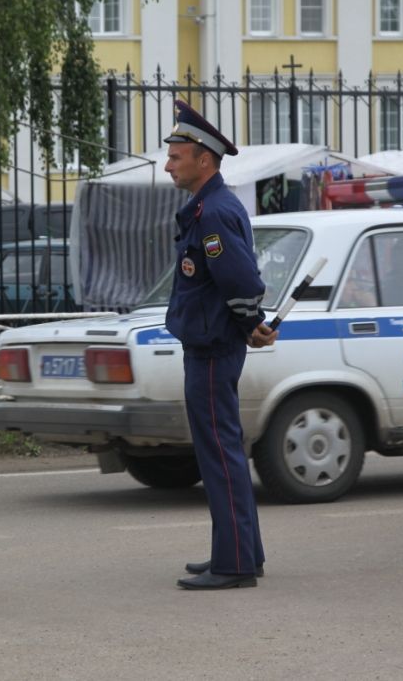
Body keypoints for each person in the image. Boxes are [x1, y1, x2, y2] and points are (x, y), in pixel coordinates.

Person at [162, 100, 278, 591]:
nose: (168, 163)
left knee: (219, 453)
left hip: (211, 348)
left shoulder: (213, 214)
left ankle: (232, 565)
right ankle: (240, 551)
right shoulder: (211, 207)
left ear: (203, 160)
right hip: (211, 341)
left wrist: (250, 320)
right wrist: (250, 322)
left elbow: (240, 277)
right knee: (222, 449)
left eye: (176, 155)